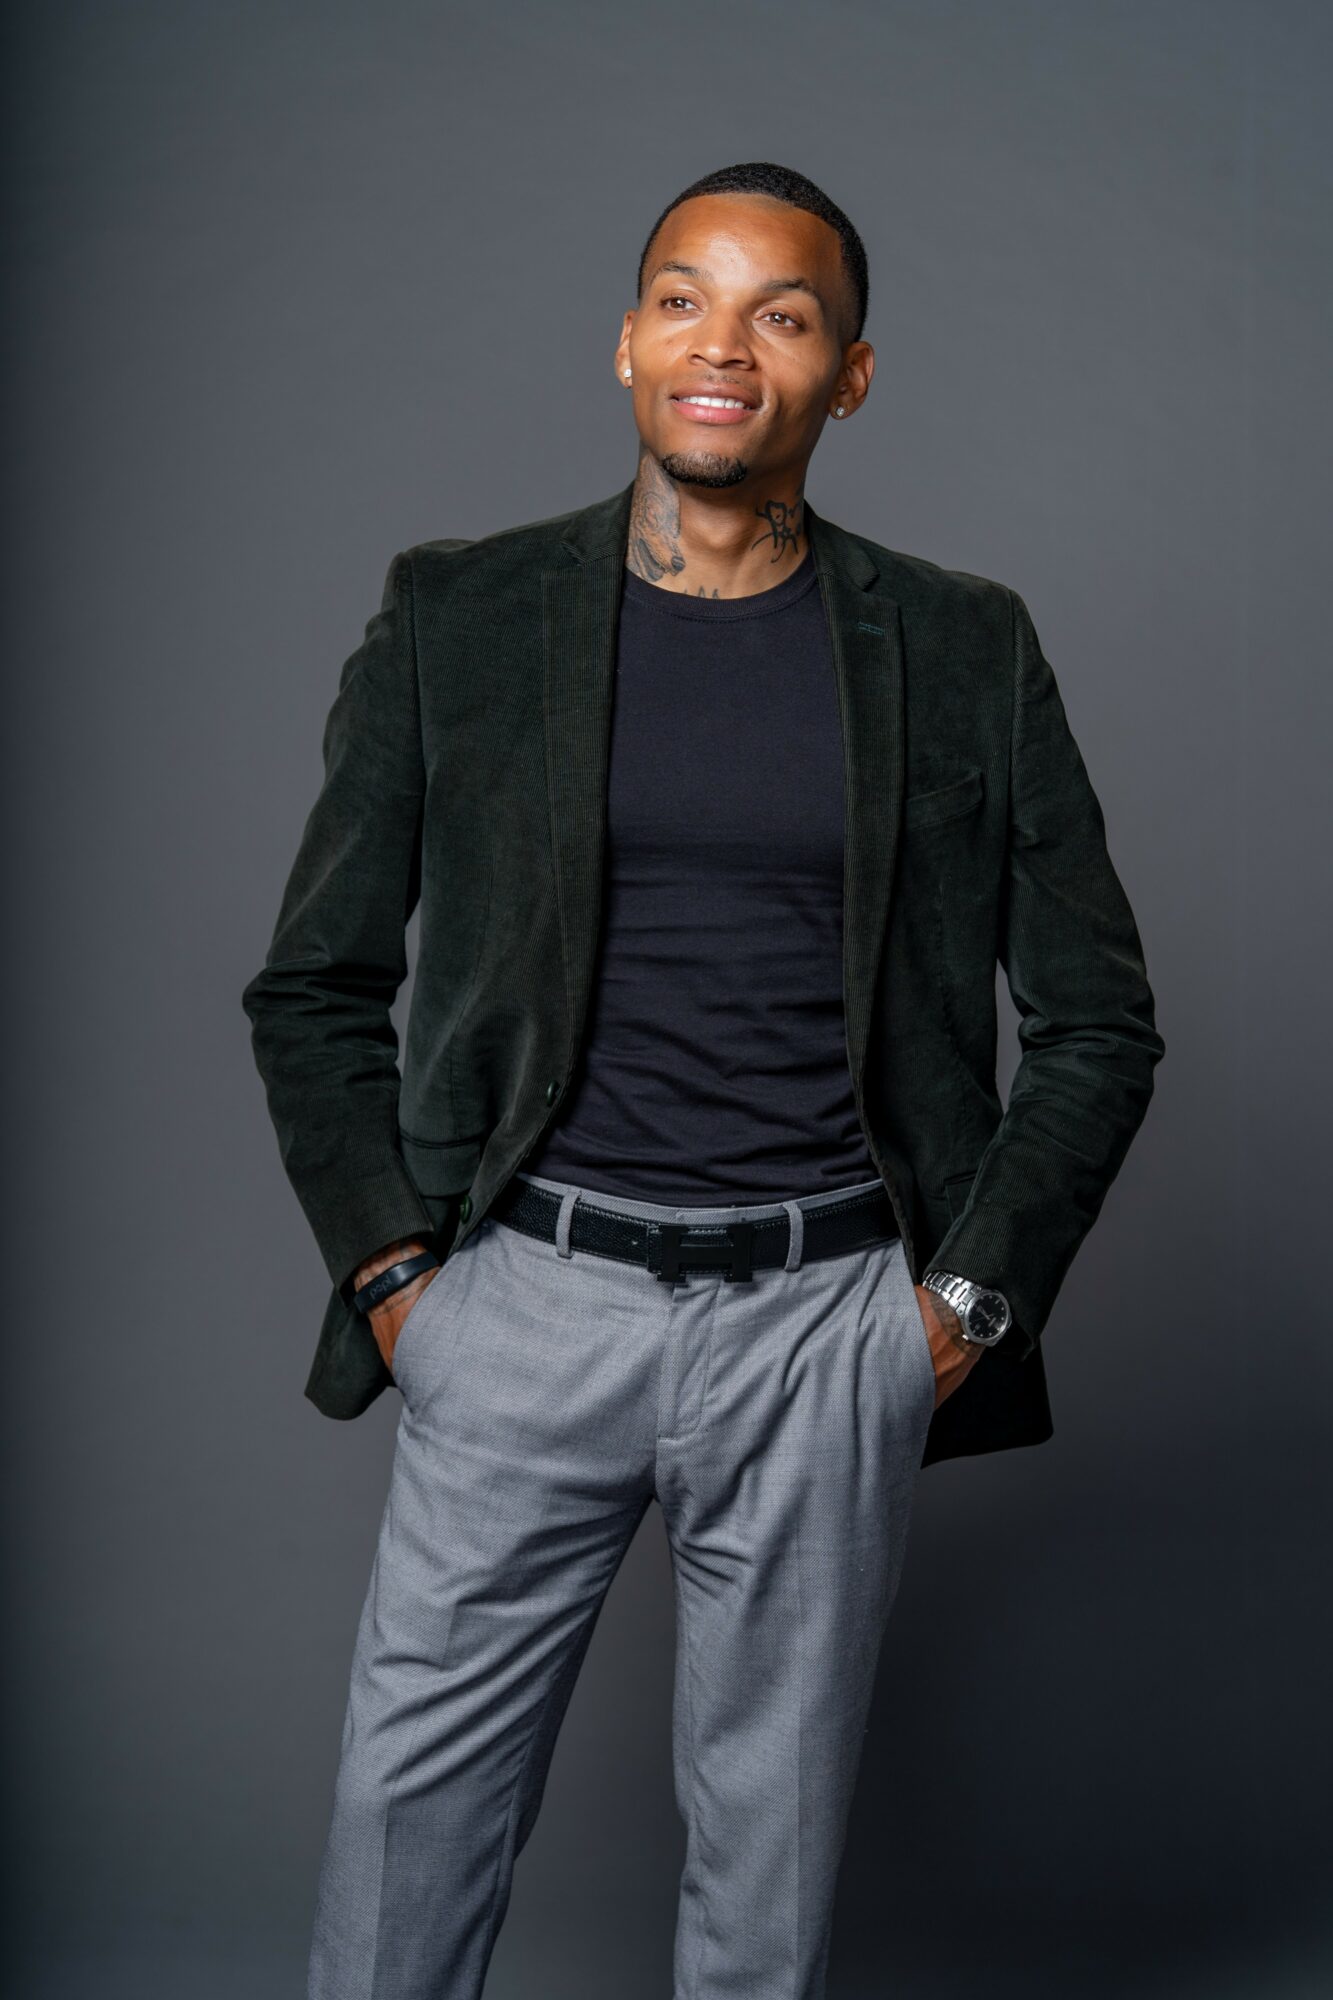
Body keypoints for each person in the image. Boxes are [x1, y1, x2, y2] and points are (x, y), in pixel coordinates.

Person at [241, 159, 1164, 2000]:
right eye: (683, 299)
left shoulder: (962, 645)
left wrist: (958, 1311)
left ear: (850, 375)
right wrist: (403, 1285)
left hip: (828, 1326)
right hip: (522, 1310)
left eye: (781, 314)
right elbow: (314, 986)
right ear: (626, 343)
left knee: (766, 1878)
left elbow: (1097, 1021)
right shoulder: (458, 616)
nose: (721, 344)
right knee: (405, 1840)